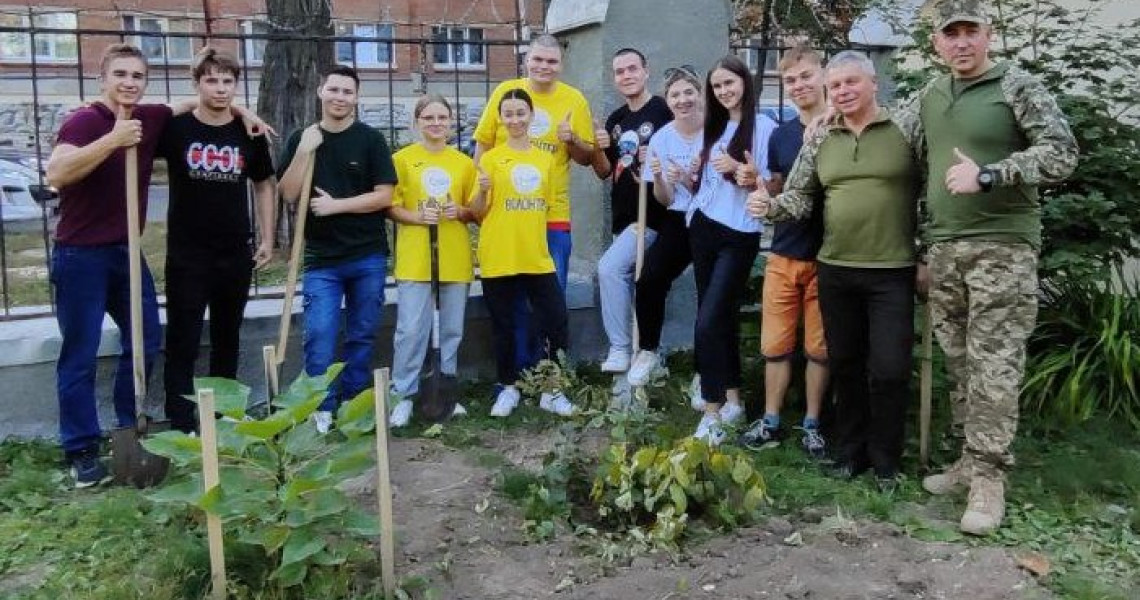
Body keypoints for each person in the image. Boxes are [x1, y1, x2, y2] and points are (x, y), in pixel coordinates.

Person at [912, 0, 1078, 535]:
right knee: (960, 361)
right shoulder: (931, 95)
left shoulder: (1017, 86)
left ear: (988, 36)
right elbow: (906, 153)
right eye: (950, 34)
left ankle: (989, 479)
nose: (961, 42)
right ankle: (968, 461)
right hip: (945, 248)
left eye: (970, 32)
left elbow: (1061, 153)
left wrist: (991, 174)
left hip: (1002, 248)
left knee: (995, 366)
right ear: (937, 43)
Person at [748, 51, 922, 488]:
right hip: (836, 267)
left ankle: (885, 461)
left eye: (851, 83)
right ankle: (850, 453)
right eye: (837, 85)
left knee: (889, 368)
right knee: (844, 362)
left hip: (891, 268)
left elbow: (932, 190)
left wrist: (929, 253)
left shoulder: (905, 130)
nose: (843, 92)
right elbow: (801, 195)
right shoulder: (822, 136)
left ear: (873, 83)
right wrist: (770, 206)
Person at [159, 47, 276, 434]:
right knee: (184, 339)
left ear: (237, 84)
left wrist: (267, 236)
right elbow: (148, 116)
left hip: (233, 252)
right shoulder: (176, 129)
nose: (221, 89)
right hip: (187, 253)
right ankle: (180, 421)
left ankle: (223, 418)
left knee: (228, 336)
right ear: (197, 84)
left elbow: (263, 185)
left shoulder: (248, 132)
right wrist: (193, 103)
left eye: (228, 81)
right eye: (211, 80)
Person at [278, 66, 397, 434]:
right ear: (320, 92)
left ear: (356, 97)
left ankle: (353, 403)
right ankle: (322, 406)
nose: (340, 97)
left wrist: (337, 205)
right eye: (334, 90)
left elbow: (385, 196)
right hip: (322, 261)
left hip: (367, 255)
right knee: (321, 334)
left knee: (362, 333)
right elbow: (288, 193)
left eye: (347, 91)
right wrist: (303, 151)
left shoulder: (370, 140)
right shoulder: (304, 137)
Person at [473, 34, 595, 375]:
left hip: (552, 213)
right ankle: (517, 372)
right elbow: (482, 147)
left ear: (561, 65)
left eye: (552, 61)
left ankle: (547, 373)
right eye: (538, 60)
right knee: (510, 301)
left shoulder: (574, 100)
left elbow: (586, 158)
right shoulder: (506, 93)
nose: (544, 67)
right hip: (505, 214)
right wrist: (478, 201)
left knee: (550, 300)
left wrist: (572, 140)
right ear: (527, 61)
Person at [738, 45, 829, 459]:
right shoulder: (782, 134)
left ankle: (812, 423)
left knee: (819, 348)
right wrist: (761, 185)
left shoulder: (842, 126)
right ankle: (771, 420)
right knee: (775, 344)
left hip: (829, 255)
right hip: (784, 251)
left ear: (822, 74)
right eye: (790, 80)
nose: (798, 86)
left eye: (805, 76)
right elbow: (779, 184)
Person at [687, 55, 777, 445]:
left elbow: (772, 186)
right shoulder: (716, 128)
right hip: (704, 226)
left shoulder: (767, 129)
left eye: (730, 83)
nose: (724, 91)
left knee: (708, 321)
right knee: (716, 319)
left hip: (739, 232)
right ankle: (734, 401)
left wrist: (750, 176)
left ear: (745, 82)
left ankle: (711, 410)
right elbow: (708, 184)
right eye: (718, 86)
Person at [470, 88, 573, 418]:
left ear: (531, 117)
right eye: (508, 114)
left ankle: (552, 389)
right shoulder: (489, 158)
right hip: (499, 252)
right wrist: (483, 191)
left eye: (520, 113)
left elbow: (551, 207)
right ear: (500, 119)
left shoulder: (546, 159)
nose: (515, 119)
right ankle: (509, 388)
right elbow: (476, 211)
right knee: (503, 324)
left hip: (536, 255)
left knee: (555, 320)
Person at [387, 94, 477, 427]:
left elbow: (475, 209)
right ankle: (404, 394)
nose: (436, 124)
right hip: (416, 257)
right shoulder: (402, 160)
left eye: (442, 117)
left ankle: (446, 391)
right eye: (429, 118)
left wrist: (462, 211)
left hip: (454, 255)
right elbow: (390, 206)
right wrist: (414, 216)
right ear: (418, 122)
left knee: (451, 329)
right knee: (411, 329)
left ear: (451, 122)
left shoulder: (463, 163)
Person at [589, 48, 673, 374]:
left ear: (646, 70)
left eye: (632, 69)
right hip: (625, 219)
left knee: (609, 270)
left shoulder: (663, 111)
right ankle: (652, 355)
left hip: (654, 218)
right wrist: (597, 148)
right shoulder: (616, 120)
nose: (626, 75)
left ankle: (621, 349)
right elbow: (604, 170)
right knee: (641, 285)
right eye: (620, 71)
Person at [628, 65, 704, 390]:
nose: (683, 99)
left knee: (710, 291)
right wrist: (660, 176)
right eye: (676, 94)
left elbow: (712, 187)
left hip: (712, 217)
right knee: (650, 279)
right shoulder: (662, 138)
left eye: (689, 92)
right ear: (668, 100)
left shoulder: (715, 133)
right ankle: (649, 351)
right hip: (678, 217)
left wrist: (686, 177)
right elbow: (663, 198)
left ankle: (707, 370)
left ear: (699, 95)